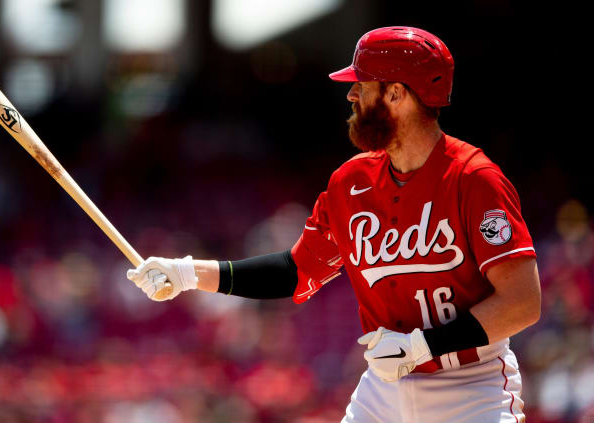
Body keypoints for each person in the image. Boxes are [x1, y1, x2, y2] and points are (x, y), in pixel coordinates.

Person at [126, 26, 540, 422]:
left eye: (364, 83)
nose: (352, 93)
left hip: (471, 388)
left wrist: (423, 346)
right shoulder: (351, 182)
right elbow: (296, 271)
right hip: (384, 390)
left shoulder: (474, 179)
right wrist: (186, 273)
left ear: (397, 94)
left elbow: (522, 303)